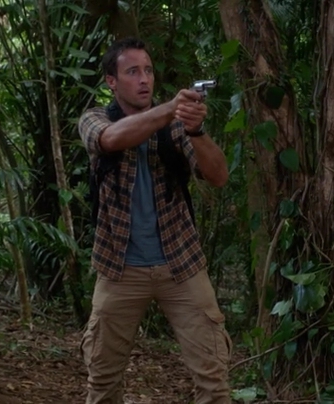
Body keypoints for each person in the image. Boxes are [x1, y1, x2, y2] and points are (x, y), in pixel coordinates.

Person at [77, 36, 232, 404]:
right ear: (111, 82)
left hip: (181, 264)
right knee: (103, 381)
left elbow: (218, 176)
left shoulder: (174, 124)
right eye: (132, 72)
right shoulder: (95, 119)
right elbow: (110, 140)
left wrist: (194, 130)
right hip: (118, 268)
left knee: (213, 379)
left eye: (147, 70)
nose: (144, 79)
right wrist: (170, 109)